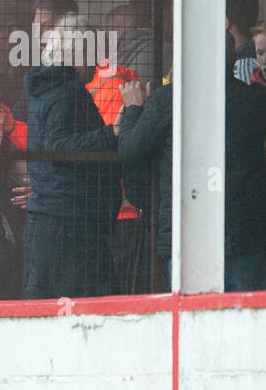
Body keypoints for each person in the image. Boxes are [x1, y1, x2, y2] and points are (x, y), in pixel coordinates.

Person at [118, 49, 266, 291]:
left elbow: (130, 150)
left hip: (185, 235)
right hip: (246, 235)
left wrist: (133, 108)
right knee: (247, 321)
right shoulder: (255, 99)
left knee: (193, 320)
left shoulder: (168, 99)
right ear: (231, 61)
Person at [22, 19, 123, 299]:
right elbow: (58, 146)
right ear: (76, 52)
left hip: (55, 220)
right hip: (70, 225)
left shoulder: (49, 90)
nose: (100, 61)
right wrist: (110, 134)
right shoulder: (66, 93)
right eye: (94, 52)